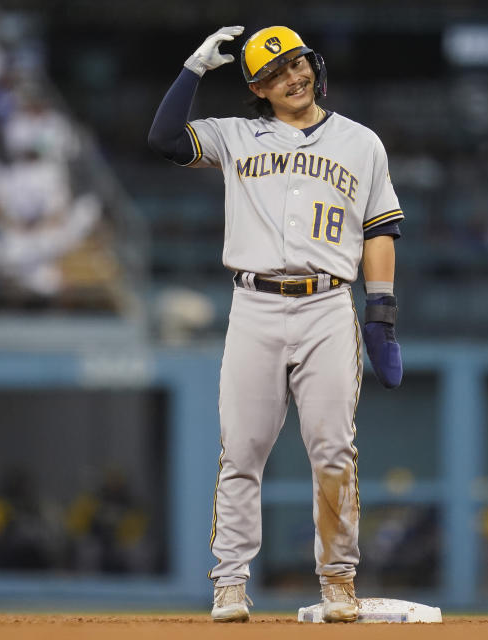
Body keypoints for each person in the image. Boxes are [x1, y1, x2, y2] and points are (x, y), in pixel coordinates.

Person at [148, 25, 404, 623]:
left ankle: (338, 580)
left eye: (296, 65)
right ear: (258, 89)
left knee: (334, 450)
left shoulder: (361, 143)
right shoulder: (235, 136)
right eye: (273, 74)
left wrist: (382, 315)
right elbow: (163, 138)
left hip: (326, 305)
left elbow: (380, 230)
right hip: (254, 304)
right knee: (241, 449)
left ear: (313, 65)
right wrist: (192, 69)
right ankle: (230, 583)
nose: (291, 78)